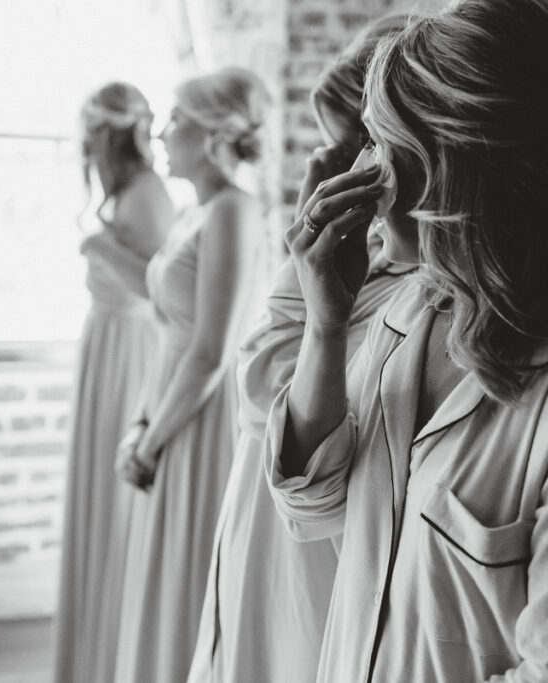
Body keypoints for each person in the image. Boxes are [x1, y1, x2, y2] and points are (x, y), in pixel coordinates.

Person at [266, 0, 548, 680]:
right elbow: (310, 507)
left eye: (383, 143)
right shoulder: (415, 306)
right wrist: (325, 324)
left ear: (456, 160)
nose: (366, 170)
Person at [186, 16, 411, 683]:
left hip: (315, 539)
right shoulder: (357, 261)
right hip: (268, 511)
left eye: (353, 143)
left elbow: (265, 388)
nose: (338, 164)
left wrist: (306, 273)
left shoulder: (404, 279)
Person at [113, 67, 269, 683]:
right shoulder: (192, 212)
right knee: (160, 569)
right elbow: (170, 338)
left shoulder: (234, 211)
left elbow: (211, 350)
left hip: (201, 422)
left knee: (187, 574)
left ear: (210, 135)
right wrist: (141, 419)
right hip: (167, 407)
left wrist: (150, 443)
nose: (162, 135)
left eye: (175, 121)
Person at [53, 81, 173, 683]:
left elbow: (163, 290)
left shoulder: (148, 193)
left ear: (106, 133)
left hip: (131, 352)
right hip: (105, 345)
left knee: (119, 504)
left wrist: (99, 243)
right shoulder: (123, 191)